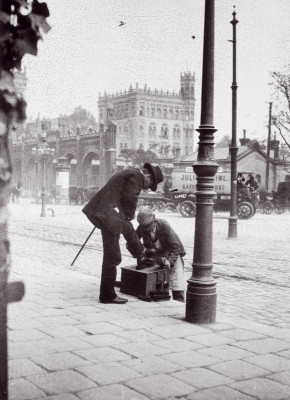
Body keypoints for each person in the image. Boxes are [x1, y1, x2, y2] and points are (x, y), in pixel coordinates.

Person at [82, 163, 164, 304]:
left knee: (127, 227)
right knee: (112, 257)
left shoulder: (130, 173)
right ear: (148, 176)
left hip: (107, 213)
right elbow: (130, 196)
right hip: (109, 215)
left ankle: (140, 254)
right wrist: (130, 214)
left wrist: (125, 217)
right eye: (150, 184)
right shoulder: (137, 176)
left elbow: (119, 194)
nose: (147, 188)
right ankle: (107, 295)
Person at [136, 208, 186, 302]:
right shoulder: (141, 228)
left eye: (148, 226)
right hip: (158, 255)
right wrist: (139, 253)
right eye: (143, 226)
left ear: (154, 220)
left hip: (172, 252)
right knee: (158, 280)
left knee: (177, 281)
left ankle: (179, 301)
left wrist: (170, 262)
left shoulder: (163, 224)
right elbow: (134, 241)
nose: (146, 229)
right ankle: (162, 298)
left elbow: (175, 246)